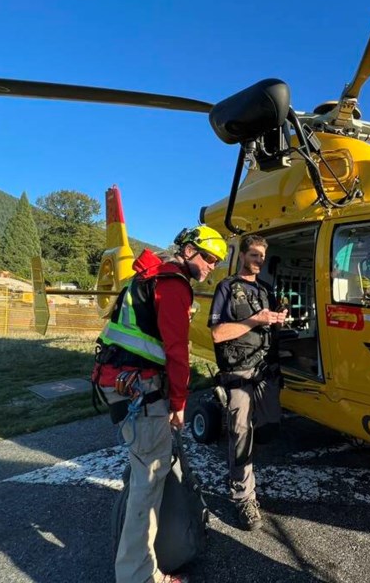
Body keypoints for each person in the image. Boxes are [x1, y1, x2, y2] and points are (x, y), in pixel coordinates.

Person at [92, 225, 227, 583]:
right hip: (141, 392)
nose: (213, 266)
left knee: (143, 474)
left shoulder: (150, 279)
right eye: (210, 258)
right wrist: (180, 402)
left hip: (125, 385)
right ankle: (138, 575)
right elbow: (177, 352)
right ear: (189, 252)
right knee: (147, 485)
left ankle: (138, 563)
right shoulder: (172, 285)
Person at [207, 234, 287, 531]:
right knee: (241, 433)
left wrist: (277, 318)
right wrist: (255, 319)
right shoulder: (227, 288)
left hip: (265, 370)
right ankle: (243, 498)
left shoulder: (266, 289)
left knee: (268, 429)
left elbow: (269, 323)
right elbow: (217, 334)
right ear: (242, 256)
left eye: (262, 257)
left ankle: (242, 473)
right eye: (254, 255)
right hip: (238, 372)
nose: (259, 261)